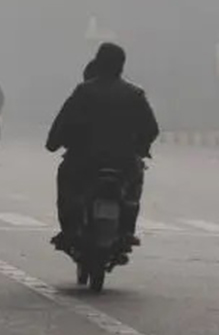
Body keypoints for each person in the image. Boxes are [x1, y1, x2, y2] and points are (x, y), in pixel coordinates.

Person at [46, 42, 159, 250]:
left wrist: (53, 143)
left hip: (84, 160)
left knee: (67, 183)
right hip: (124, 161)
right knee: (133, 189)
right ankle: (127, 230)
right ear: (122, 65)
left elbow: (64, 121)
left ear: (98, 63)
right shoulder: (135, 94)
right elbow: (151, 129)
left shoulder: (83, 91)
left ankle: (69, 229)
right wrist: (140, 148)